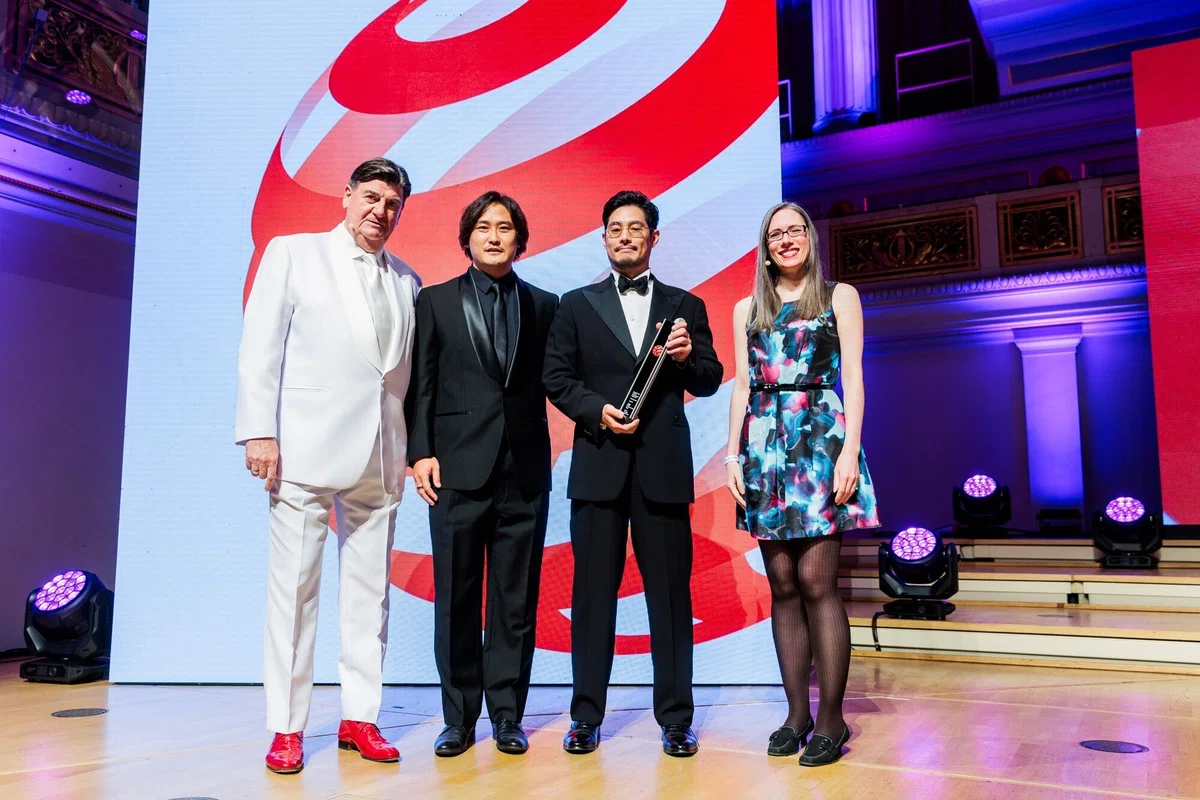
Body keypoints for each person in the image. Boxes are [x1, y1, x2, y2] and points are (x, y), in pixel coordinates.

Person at [236, 157, 418, 774]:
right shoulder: (293, 253)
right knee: (294, 592)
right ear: (346, 196)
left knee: (371, 595)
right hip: (303, 449)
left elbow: (401, 376)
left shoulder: (408, 279)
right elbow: (259, 347)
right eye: (371, 197)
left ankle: (360, 716)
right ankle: (287, 727)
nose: (380, 212)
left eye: (392, 204)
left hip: (382, 453)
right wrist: (259, 431)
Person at [543, 190, 723, 758]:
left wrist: (686, 357)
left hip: (662, 471)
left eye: (636, 227)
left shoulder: (685, 305)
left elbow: (709, 378)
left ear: (654, 237)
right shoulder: (575, 304)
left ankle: (676, 719)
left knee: (670, 599)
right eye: (616, 228)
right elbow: (556, 377)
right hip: (599, 465)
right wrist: (596, 410)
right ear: (604, 237)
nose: (625, 235)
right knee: (592, 598)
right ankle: (585, 717)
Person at [723, 202, 880, 767]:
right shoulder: (747, 308)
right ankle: (797, 715)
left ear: (810, 238)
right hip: (763, 446)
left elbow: (854, 376)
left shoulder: (840, 296)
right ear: (766, 250)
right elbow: (743, 385)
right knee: (783, 583)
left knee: (817, 580)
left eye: (795, 231)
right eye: (776, 234)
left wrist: (850, 450)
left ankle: (832, 720)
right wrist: (733, 454)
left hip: (818, 441)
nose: (787, 240)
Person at [406, 192, 559, 757]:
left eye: (505, 228)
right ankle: (459, 719)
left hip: (525, 472)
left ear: (520, 239)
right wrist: (420, 452)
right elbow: (422, 383)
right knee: (456, 600)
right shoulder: (435, 301)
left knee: (515, 602)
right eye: (484, 227)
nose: (494, 237)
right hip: (454, 470)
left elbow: (560, 380)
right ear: (466, 238)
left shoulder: (544, 304)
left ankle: (507, 715)